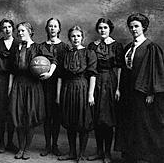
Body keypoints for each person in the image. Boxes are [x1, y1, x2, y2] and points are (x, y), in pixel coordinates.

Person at [116, 13, 164, 163]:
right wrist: (118, 88)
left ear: (143, 27)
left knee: (143, 124)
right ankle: (130, 154)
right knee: (128, 122)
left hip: (143, 92)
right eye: (131, 27)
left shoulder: (151, 47)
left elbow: (155, 72)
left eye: (136, 26)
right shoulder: (128, 47)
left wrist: (151, 92)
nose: (133, 29)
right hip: (128, 91)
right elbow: (123, 70)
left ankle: (145, 155)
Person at [9, 22, 57, 160]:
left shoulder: (38, 47)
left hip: (33, 85)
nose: (20, 33)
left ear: (30, 31)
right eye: (18, 31)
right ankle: (20, 147)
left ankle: (27, 149)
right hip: (18, 84)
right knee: (18, 116)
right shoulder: (15, 48)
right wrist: (10, 87)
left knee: (29, 116)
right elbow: (12, 70)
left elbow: (53, 60)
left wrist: (49, 74)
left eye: (22, 30)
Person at [58, 26, 97, 162]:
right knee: (70, 121)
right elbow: (61, 77)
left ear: (82, 37)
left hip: (82, 88)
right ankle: (72, 152)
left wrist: (90, 94)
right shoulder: (66, 53)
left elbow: (92, 75)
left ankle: (81, 154)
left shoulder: (89, 53)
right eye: (73, 36)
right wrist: (58, 95)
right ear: (70, 38)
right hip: (68, 89)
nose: (76, 38)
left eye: (78, 36)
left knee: (83, 122)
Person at [87, 18, 124, 163]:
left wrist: (118, 88)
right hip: (95, 81)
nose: (103, 30)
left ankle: (107, 153)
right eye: (100, 28)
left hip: (110, 83)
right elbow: (90, 67)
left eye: (105, 28)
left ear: (110, 29)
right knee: (97, 118)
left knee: (107, 120)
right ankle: (99, 151)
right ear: (98, 30)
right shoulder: (92, 45)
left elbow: (120, 68)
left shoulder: (116, 46)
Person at [39, 18, 68, 157]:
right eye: (50, 26)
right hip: (44, 84)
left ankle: (55, 145)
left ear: (59, 29)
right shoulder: (41, 46)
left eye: (55, 26)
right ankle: (47, 145)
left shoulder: (64, 47)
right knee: (47, 116)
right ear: (47, 28)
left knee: (56, 116)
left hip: (60, 84)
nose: (52, 28)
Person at [0, 18, 18, 153]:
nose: (7, 29)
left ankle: (10, 142)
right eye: (4, 27)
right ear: (1, 30)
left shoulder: (19, 44)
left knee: (12, 111)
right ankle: (1, 142)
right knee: (1, 112)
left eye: (9, 27)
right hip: (1, 80)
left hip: (15, 81)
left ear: (13, 28)